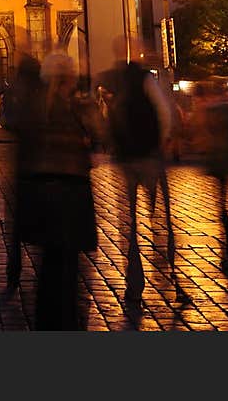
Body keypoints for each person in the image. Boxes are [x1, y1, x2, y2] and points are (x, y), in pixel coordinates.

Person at [9, 52, 98, 329]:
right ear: (68, 77)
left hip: (42, 195)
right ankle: (65, 322)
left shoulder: (34, 107)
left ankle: (47, 321)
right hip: (70, 195)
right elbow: (100, 137)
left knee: (50, 267)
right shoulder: (76, 106)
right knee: (67, 268)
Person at [97, 38, 173, 315]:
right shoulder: (145, 78)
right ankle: (168, 268)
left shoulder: (111, 79)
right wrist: (161, 142)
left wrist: (111, 144)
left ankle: (134, 283)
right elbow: (163, 112)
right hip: (148, 155)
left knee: (128, 224)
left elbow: (107, 117)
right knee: (160, 215)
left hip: (126, 158)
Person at [192, 82, 228, 274]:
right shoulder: (226, 108)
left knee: (222, 207)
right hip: (227, 161)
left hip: (220, 162)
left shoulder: (210, 110)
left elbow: (205, 136)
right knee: (223, 206)